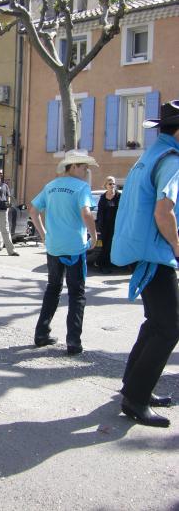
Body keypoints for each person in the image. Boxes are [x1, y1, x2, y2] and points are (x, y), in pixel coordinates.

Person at [111, 100, 179, 428]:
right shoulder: (172, 160)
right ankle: (135, 399)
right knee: (169, 327)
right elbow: (163, 212)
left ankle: (135, 388)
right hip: (157, 254)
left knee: (156, 323)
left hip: (143, 250)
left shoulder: (149, 156)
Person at [29, 150, 98, 355]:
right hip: (75, 248)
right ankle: (73, 341)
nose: (86, 171)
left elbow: (33, 211)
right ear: (74, 166)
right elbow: (86, 213)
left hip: (53, 247)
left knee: (53, 288)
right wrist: (93, 236)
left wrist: (43, 235)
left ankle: (41, 334)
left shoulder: (50, 186)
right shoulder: (82, 187)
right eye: (84, 167)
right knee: (77, 293)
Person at [96, 175, 121, 273]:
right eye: (110, 183)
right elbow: (100, 212)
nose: (112, 185)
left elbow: (122, 210)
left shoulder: (119, 196)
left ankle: (103, 263)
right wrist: (99, 225)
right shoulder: (103, 197)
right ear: (106, 185)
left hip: (116, 225)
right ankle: (103, 265)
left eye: (114, 183)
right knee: (105, 245)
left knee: (110, 246)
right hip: (105, 225)